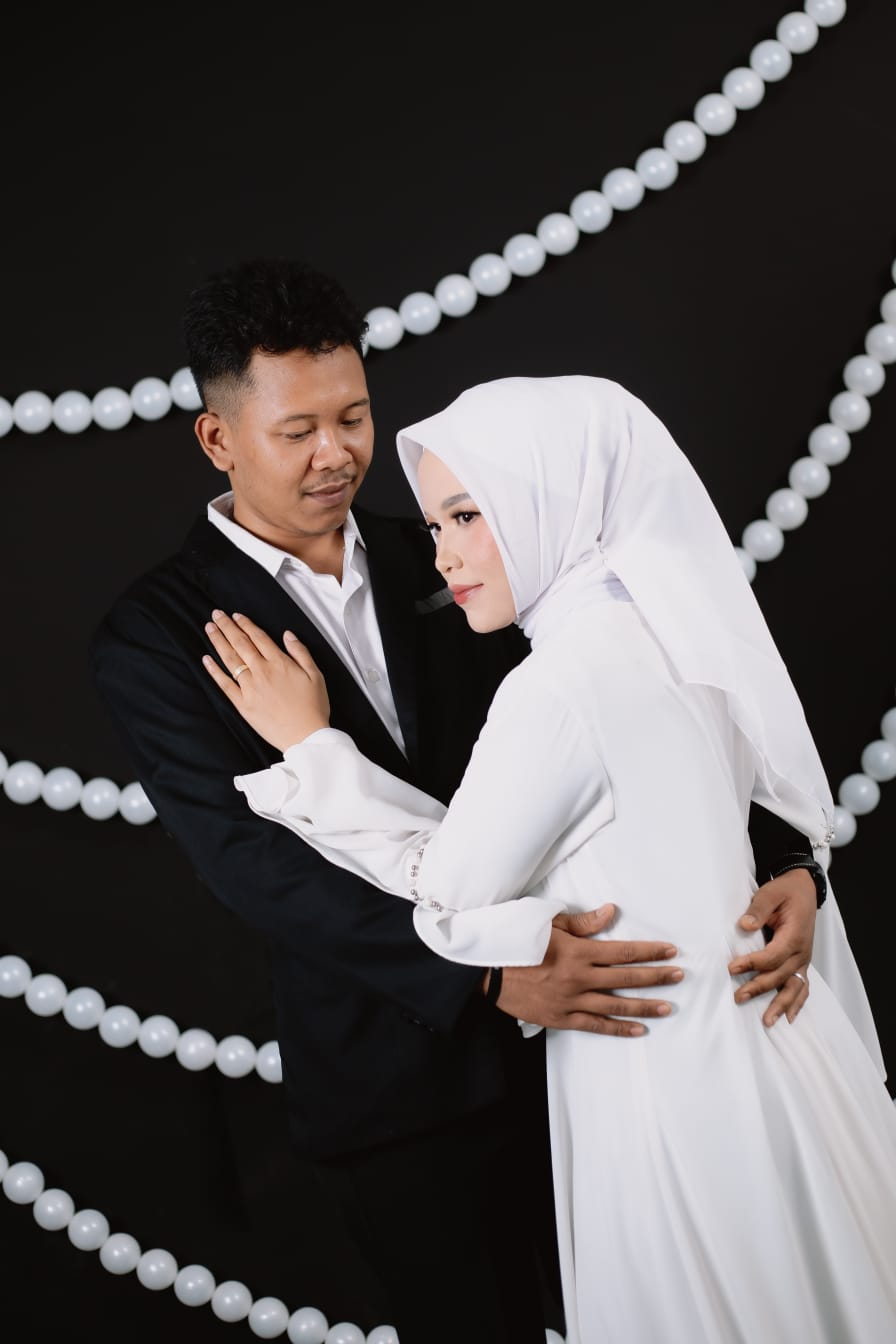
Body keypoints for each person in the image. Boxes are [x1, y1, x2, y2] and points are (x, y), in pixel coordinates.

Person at [89, 257, 825, 1344]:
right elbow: (252, 866)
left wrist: (789, 859)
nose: (337, 452)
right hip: (397, 1085)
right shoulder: (155, 633)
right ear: (218, 439)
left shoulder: (453, 546)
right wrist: (486, 975)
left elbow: (642, 710)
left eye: (354, 417)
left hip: (600, 1039)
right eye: (298, 430)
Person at [199, 372, 896, 1344]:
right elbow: (753, 800)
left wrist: (315, 752)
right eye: (435, 523)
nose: (442, 553)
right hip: (774, 1046)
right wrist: (796, 870)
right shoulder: (673, 633)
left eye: (466, 515)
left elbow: (446, 886)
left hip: (662, 1075)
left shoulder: (558, 685)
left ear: (551, 501)